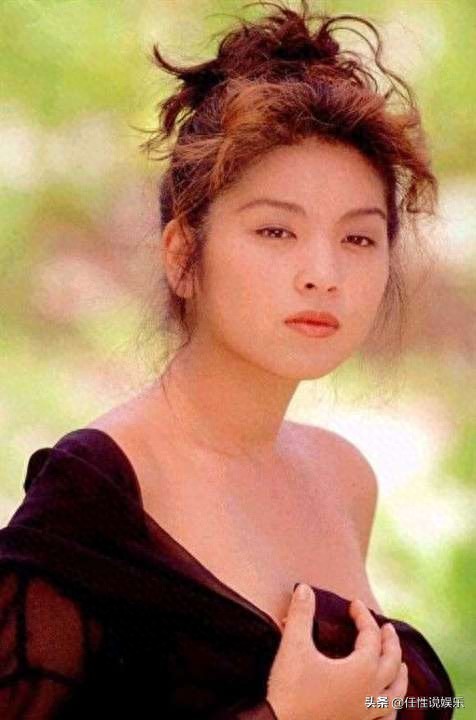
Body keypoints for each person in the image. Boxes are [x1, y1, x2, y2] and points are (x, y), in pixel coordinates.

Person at [0, 1, 455, 718]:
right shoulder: (99, 488)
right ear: (184, 255)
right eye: (276, 231)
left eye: (359, 239)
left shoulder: (344, 477)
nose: (323, 274)